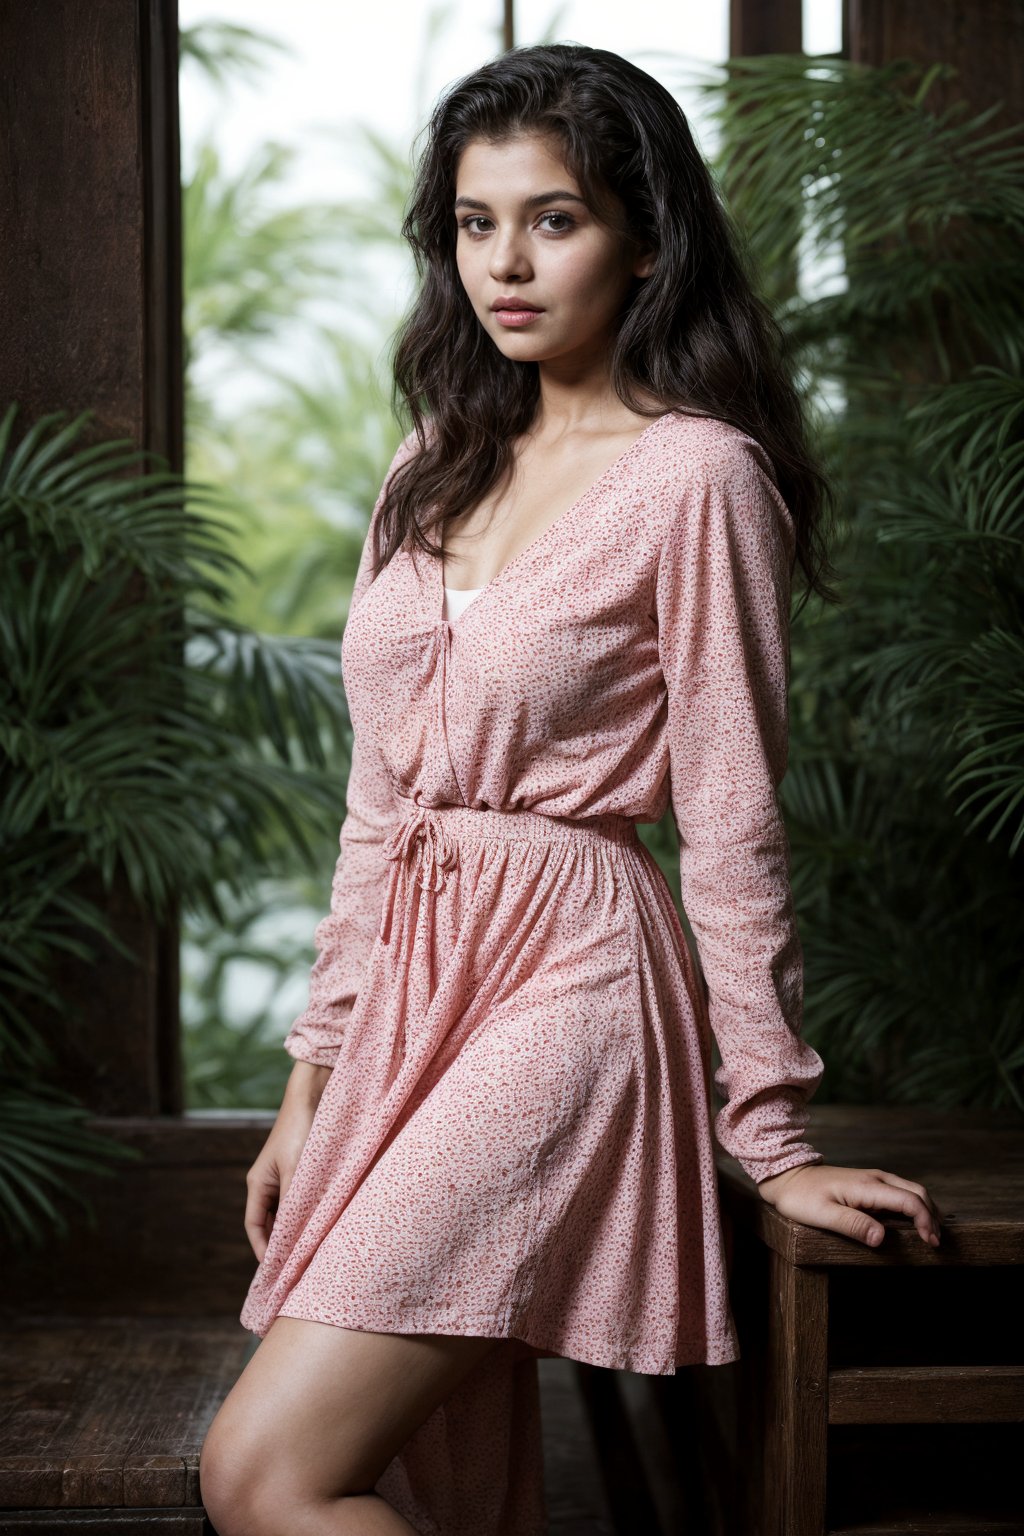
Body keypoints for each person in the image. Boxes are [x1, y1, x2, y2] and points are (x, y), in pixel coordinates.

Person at [199, 41, 943, 1536]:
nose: (507, 262)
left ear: (649, 240)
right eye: (477, 224)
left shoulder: (698, 478)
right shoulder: (431, 468)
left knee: (267, 1473)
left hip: (576, 978)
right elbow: (376, 811)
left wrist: (774, 1140)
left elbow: (731, 818)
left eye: (556, 217)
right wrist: (309, 1092)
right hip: (416, 986)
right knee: (441, 1479)